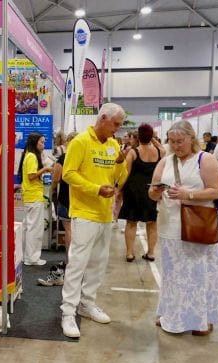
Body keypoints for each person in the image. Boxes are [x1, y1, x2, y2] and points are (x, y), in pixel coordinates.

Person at [148, 120, 218, 336]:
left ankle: (203, 319)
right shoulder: (165, 161)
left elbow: (216, 191)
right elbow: (152, 192)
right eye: (172, 141)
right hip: (170, 225)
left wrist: (188, 194)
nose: (176, 146)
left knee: (200, 274)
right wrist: (155, 193)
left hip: (199, 225)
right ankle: (172, 314)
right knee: (173, 274)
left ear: (192, 138)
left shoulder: (205, 159)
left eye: (180, 141)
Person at [60, 103, 128, 338]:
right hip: (84, 212)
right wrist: (95, 189)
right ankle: (68, 312)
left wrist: (120, 162)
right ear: (103, 118)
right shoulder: (80, 142)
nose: (117, 129)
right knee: (77, 263)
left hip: (105, 213)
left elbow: (118, 178)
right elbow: (68, 174)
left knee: (98, 262)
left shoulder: (113, 145)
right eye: (115, 124)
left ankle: (87, 304)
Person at [118, 123, 162, 262]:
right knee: (152, 222)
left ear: (138, 136)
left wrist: (118, 189)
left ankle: (130, 253)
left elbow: (125, 173)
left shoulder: (133, 152)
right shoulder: (159, 151)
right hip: (151, 190)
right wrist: (152, 138)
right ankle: (151, 253)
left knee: (131, 222)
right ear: (151, 136)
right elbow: (161, 147)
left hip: (133, 190)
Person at [38, 132, 77, 287]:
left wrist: (53, 190)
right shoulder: (85, 158)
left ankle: (69, 261)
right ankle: (78, 262)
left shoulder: (64, 158)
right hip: (82, 200)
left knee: (69, 230)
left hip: (66, 197)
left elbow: (56, 178)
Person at [17, 133, 52, 266]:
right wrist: (45, 169)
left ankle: (27, 256)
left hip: (30, 196)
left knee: (29, 227)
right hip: (34, 196)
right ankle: (32, 258)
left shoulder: (28, 155)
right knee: (34, 229)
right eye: (41, 142)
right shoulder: (32, 156)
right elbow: (31, 176)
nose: (43, 145)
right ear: (35, 142)